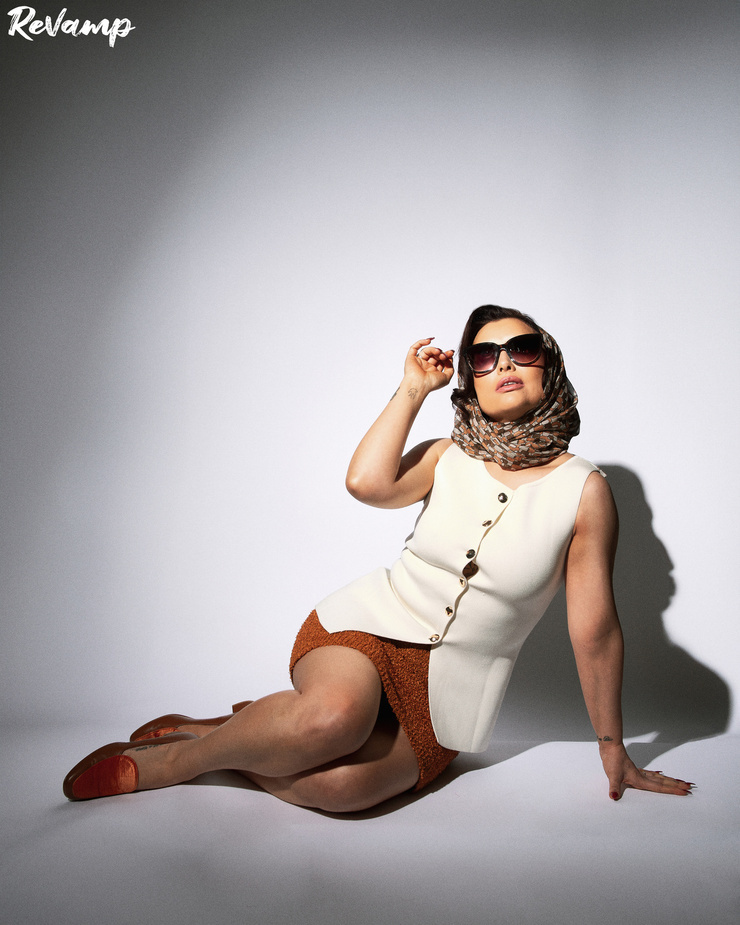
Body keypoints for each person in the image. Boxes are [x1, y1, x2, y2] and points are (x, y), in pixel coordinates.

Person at [63, 305, 694, 811]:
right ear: (471, 381)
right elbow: (366, 484)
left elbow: (594, 630)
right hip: (368, 630)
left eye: (522, 349)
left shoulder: (585, 492)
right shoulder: (447, 455)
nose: (504, 362)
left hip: (452, 694)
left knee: (339, 790)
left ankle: (232, 731)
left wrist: (613, 746)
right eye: (484, 356)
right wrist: (413, 389)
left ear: (548, 365)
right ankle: (176, 762)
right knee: (333, 718)